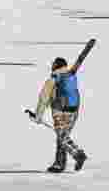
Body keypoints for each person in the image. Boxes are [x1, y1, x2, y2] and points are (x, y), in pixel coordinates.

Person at [28, 40, 96, 172]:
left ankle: (77, 154)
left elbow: (43, 98)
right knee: (63, 135)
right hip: (74, 110)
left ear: (55, 66)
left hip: (60, 110)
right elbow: (80, 59)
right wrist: (88, 47)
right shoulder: (71, 73)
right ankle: (59, 163)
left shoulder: (54, 77)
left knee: (62, 137)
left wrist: (38, 116)